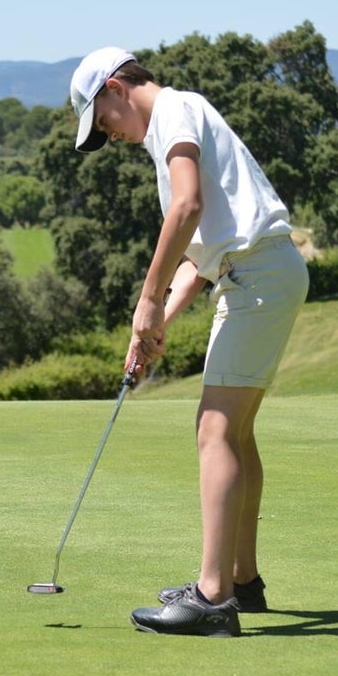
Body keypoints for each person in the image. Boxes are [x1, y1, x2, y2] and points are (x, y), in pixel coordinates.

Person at [69, 47, 310, 637]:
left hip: (258, 276)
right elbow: (200, 258)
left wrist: (147, 299)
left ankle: (212, 598)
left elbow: (187, 207)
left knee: (215, 429)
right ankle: (240, 582)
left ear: (116, 89)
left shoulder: (174, 110)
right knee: (236, 431)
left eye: (105, 121)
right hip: (257, 274)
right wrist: (157, 326)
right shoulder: (177, 122)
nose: (114, 135)